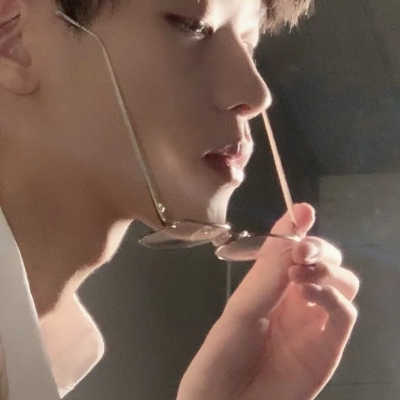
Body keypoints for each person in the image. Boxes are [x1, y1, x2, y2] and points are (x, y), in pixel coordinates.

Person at [0, 0, 360, 399]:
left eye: (248, 45)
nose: (256, 94)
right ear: (12, 35)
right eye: (193, 26)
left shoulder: (43, 355)